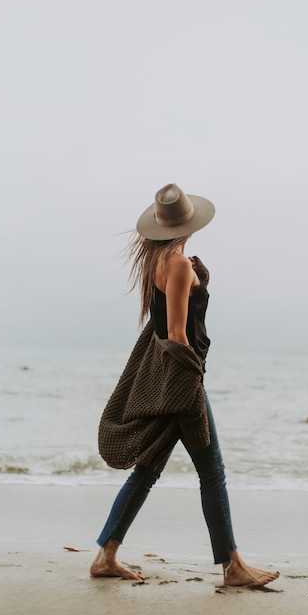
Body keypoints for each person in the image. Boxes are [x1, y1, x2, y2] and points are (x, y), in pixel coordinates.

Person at [90, 183, 279, 587]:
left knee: (147, 471)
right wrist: (190, 383)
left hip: (167, 379)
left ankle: (106, 555)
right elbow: (177, 332)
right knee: (213, 473)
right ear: (188, 224)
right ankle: (234, 568)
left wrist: (195, 274)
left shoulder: (158, 261)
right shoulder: (175, 263)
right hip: (182, 382)